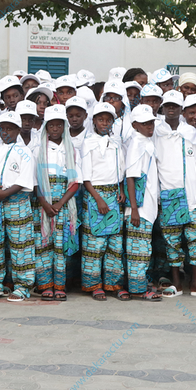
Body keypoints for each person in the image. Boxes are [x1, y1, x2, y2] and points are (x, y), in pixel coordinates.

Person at [154, 91, 196, 298]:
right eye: (168, 105)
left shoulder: (190, 132)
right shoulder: (157, 131)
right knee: (172, 240)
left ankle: (195, 283)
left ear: (181, 110)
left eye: (175, 106)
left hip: (191, 195)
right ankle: (176, 284)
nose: (171, 109)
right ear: (163, 108)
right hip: (169, 192)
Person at [0, 111, 37, 302]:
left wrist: (6, 192)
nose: (5, 132)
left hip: (16, 202)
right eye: (2, 129)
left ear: (18, 130)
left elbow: (25, 179)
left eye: (9, 129)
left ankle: (22, 285)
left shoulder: (25, 152)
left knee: (20, 245)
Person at [33, 105, 82, 301]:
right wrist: (45, 204)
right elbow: (35, 182)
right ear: (46, 127)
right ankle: (45, 285)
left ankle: (60, 284)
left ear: (64, 127)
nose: (55, 129)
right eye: (51, 125)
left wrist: (60, 204)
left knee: (60, 246)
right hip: (42, 203)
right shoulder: (38, 150)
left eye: (58, 125)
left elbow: (75, 182)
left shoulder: (72, 150)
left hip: (63, 203)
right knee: (43, 244)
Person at [80, 102, 125, 301]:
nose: (105, 123)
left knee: (114, 244)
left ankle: (113, 283)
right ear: (94, 122)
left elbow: (120, 171)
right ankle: (94, 285)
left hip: (113, 195)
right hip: (95, 196)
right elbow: (86, 178)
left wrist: (121, 190)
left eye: (108, 120)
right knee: (95, 245)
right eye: (101, 120)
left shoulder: (116, 144)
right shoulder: (88, 143)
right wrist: (98, 199)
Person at [125, 105, 162, 301]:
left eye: (151, 123)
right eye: (145, 123)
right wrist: (134, 209)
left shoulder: (146, 142)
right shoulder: (136, 145)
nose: (150, 126)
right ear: (135, 125)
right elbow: (130, 178)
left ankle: (139, 284)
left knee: (143, 248)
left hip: (148, 205)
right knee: (138, 250)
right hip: (139, 208)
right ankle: (138, 289)